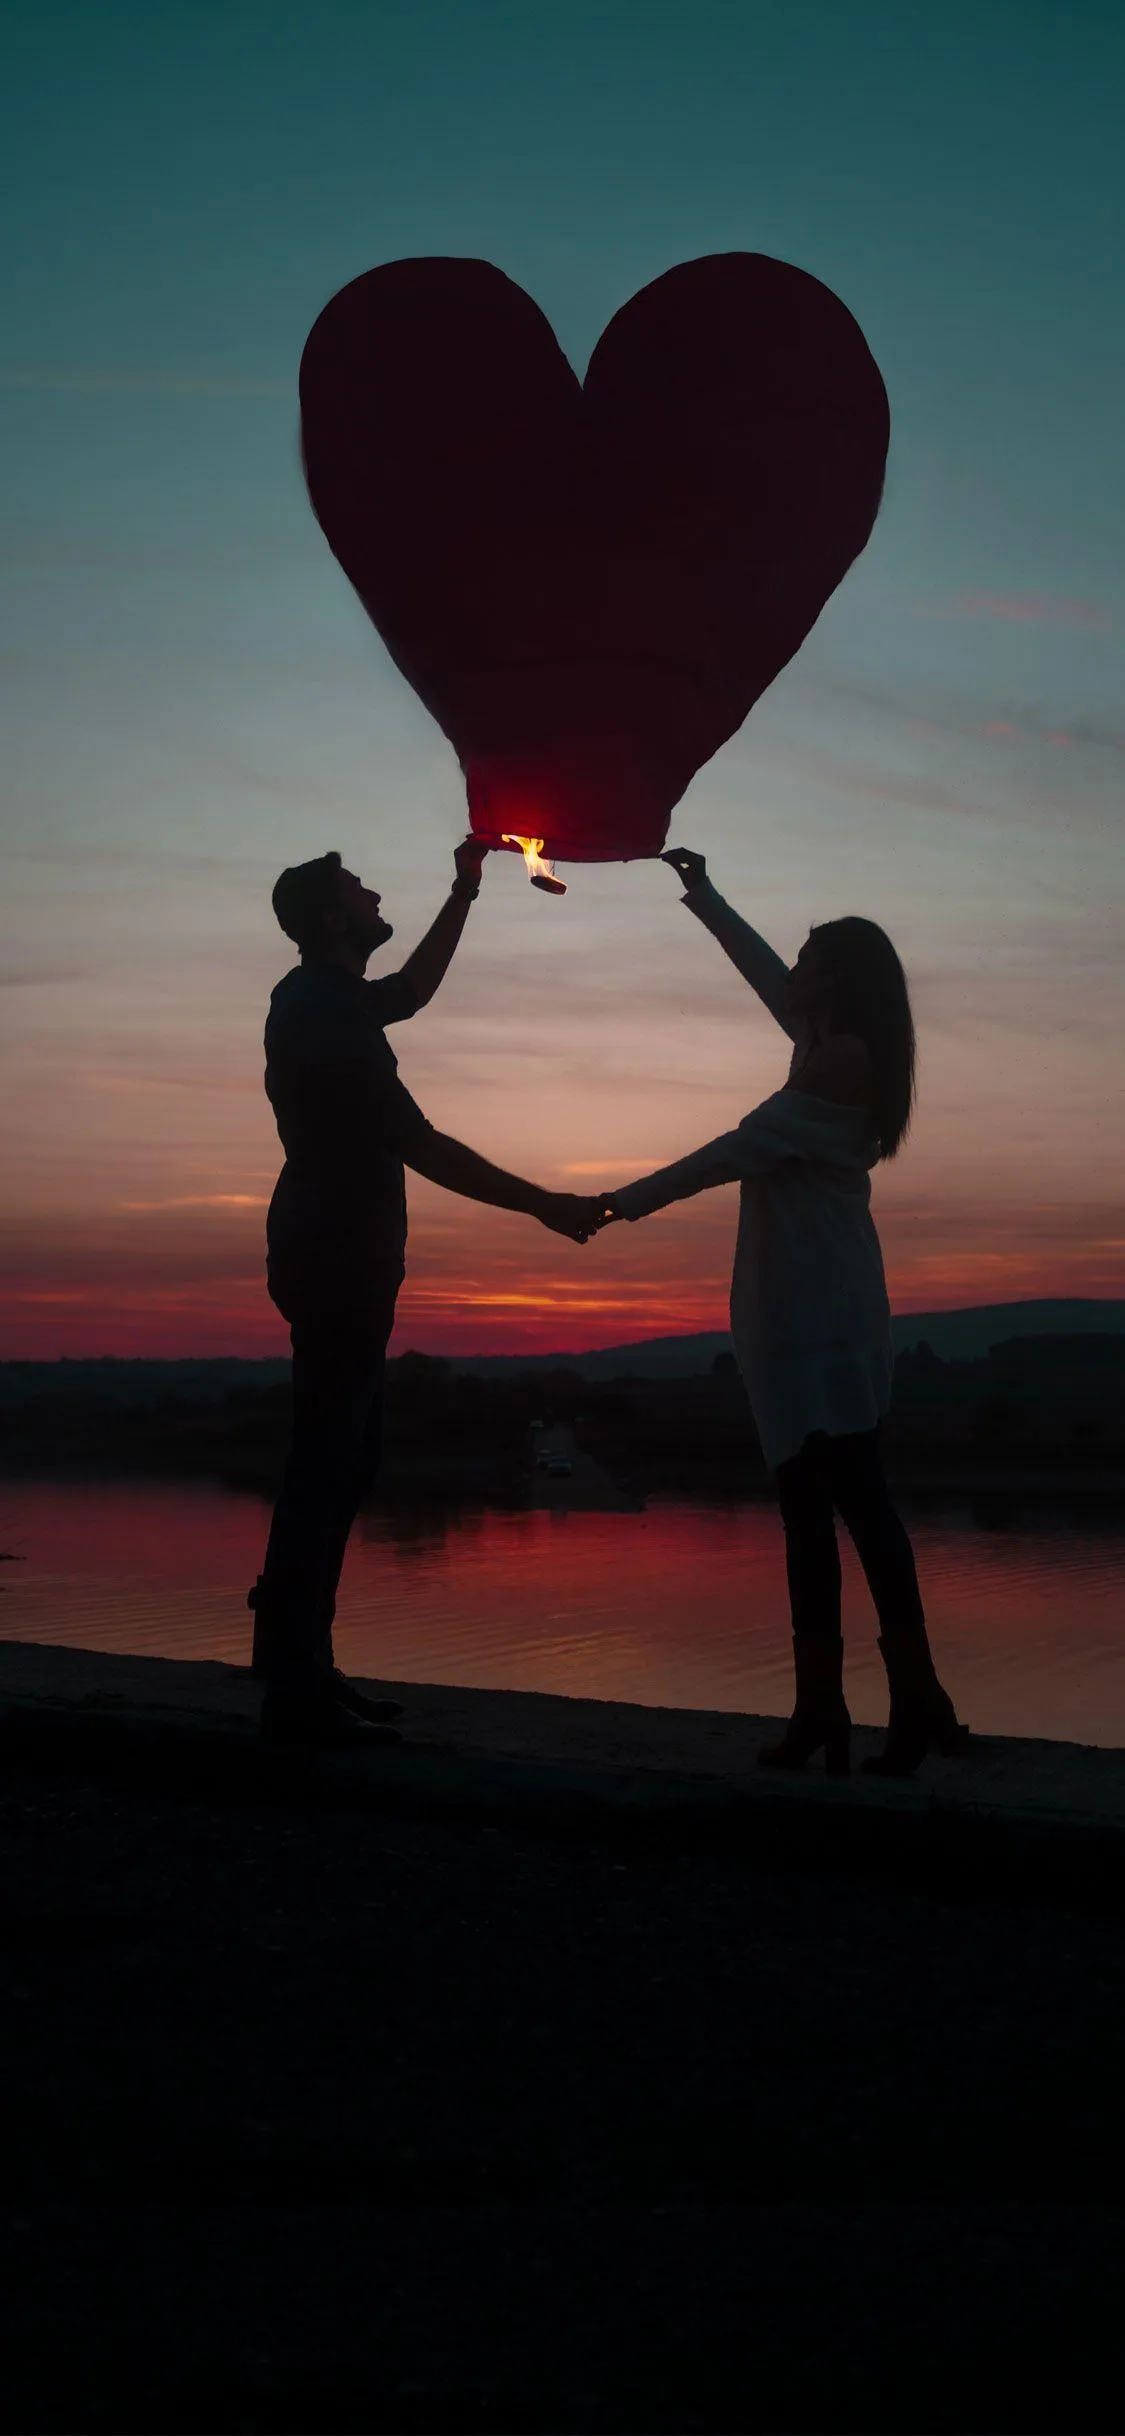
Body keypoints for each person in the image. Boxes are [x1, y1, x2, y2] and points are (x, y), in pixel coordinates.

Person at [598, 847, 966, 1780]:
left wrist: (612, 1204)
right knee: (807, 1508)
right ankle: (822, 1708)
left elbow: (742, 1146)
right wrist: (701, 891)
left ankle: (909, 1701)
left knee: (856, 1500)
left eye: (810, 958)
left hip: (823, 1306)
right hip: (784, 1299)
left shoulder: (842, 1060)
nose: (793, 969)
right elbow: (765, 973)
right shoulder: (818, 1038)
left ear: (838, 977)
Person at [251, 839, 600, 1747]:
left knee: (345, 1458)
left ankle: (301, 1661)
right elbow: (423, 1143)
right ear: (333, 919)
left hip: (341, 1251)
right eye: (359, 891)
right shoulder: (321, 1012)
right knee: (328, 1461)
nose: (374, 896)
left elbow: (411, 992)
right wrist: (544, 1205)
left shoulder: (328, 1001)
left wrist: (465, 888)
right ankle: (292, 1679)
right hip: (335, 1256)